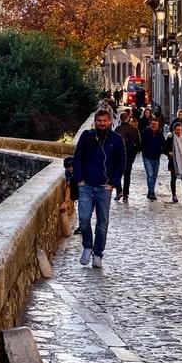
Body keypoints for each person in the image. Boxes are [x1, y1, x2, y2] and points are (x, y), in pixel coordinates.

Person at [72, 109, 126, 268]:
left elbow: (120, 163)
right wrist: (79, 179)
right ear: (95, 121)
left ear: (109, 122)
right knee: (83, 219)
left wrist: (113, 183)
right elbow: (78, 157)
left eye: (104, 121)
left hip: (104, 188)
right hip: (86, 186)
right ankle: (88, 246)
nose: (102, 123)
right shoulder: (87, 136)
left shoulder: (116, 139)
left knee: (102, 223)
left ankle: (98, 253)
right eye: (99, 121)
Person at [114, 110, 141, 201]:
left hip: (118, 155)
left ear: (120, 119)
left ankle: (119, 191)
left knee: (116, 174)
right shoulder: (134, 130)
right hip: (129, 155)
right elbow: (139, 144)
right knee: (127, 175)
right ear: (128, 118)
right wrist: (134, 154)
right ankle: (125, 194)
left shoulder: (117, 129)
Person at [164, 121, 182, 203]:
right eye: (177, 130)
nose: (178, 131)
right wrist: (169, 153)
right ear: (174, 130)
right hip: (173, 161)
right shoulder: (170, 137)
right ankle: (174, 196)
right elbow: (164, 148)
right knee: (173, 179)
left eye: (180, 130)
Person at [141, 116, 166, 200]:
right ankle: (152, 193)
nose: (154, 126)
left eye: (156, 124)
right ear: (150, 124)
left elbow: (164, 144)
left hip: (156, 157)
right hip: (147, 157)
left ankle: (150, 191)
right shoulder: (144, 133)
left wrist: (165, 152)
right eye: (153, 124)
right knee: (150, 174)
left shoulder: (160, 134)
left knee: (154, 176)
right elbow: (140, 144)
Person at [60, 156, 81, 234]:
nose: (71, 168)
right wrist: (66, 201)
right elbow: (68, 186)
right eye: (68, 167)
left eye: (72, 166)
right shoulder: (68, 173)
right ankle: (82, 226)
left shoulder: (80, 170)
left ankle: (83, 227)